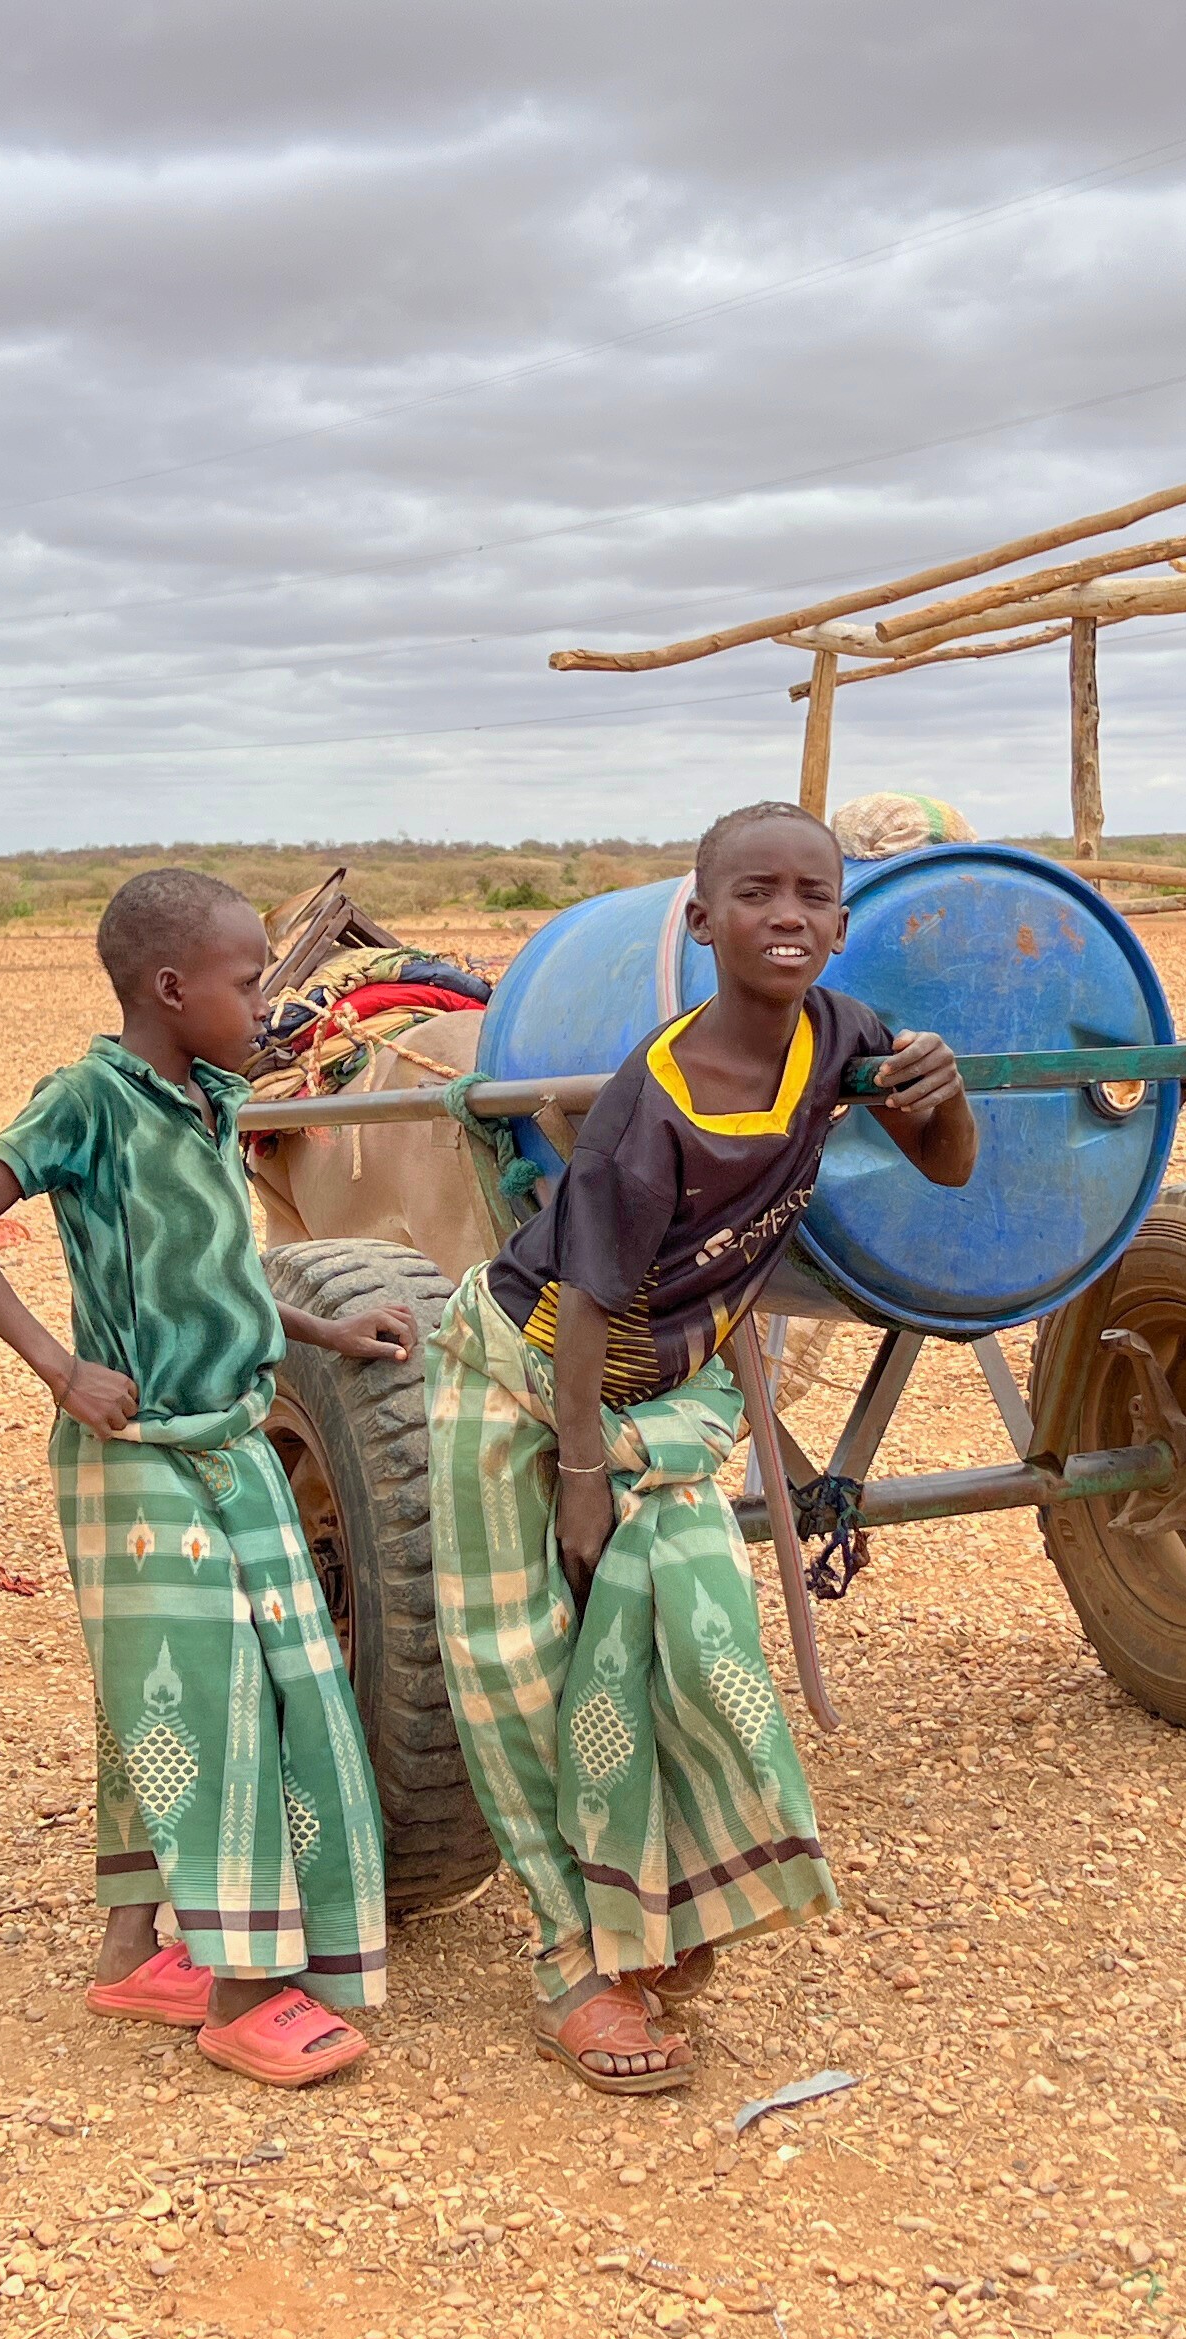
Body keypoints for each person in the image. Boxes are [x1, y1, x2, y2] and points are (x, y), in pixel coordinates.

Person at [428, 801, 972, 2093]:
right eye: (755, 894)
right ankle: (574, 1961)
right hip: (530, 1378)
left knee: (681, 1650)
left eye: (810, 896)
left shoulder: (846, 1036)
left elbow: (946, 1171)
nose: (785, 916)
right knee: (521, 1672)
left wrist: (941, 1099)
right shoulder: (652, 1101)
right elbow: (590, 1303)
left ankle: (659, 1910)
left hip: (661, 1400)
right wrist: (574, 1480)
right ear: (704, 919)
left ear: (842, 926)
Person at [0, 868, 405, 2088]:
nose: (266, 1004)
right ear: (171, 987)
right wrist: (57, 1365)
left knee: (182, 1696)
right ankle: (243, 1995)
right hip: (135, 1455)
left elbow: (218, 1271)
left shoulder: (208, 1101)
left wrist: (328, 1335)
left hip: (230, 1439)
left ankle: (138, 1951)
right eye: (248, 983)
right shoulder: (89, 1098)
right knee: (216, 1698)